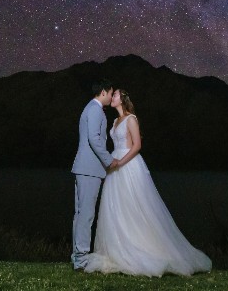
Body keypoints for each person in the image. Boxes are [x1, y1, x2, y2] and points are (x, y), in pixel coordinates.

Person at [84, 88, 212, 277]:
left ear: (123, 99)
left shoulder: (131, 119)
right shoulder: (114, 121)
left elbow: (137, 145)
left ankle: (144, 247)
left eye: (116, 94)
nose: (113, 97)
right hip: (114, 166)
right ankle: (117, 249)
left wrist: (120, 162)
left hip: (128, 165)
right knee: (117, 208)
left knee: (136, 206)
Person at [70, 80, 120, 270]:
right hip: (89, 169)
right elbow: (94, 139)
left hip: (84, 168)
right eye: (111, 93)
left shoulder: (90, 108)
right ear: (104, 92)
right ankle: (81, 258)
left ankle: (77, 257)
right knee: (87, 215)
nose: (111, 96)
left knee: (81, 214)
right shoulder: (95, 110)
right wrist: (109, 160)